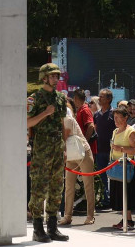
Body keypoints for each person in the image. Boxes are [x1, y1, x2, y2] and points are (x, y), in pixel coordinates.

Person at [25, 63, 69, 242]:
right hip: (42, 148)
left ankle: (52, 227)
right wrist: (45, 113)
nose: (55, 79)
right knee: (39, 187)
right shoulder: (34, 99)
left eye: (56, 76)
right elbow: (27, 123)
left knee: (57, 187)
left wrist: (64, 146)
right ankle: (37, 228)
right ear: (44, 77)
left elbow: (62, 124)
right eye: (52, 76)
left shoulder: (60, 98)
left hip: (57, 147)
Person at [61, 101, 96, 226]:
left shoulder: (68, 119)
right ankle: (67, 216)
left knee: (88, 185)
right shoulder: (61, 119)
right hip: (71, 153)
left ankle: (90, 215)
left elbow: (64, 138)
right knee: (69, 186)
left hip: (82, 152)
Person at [109, 107, 135, 229]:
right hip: (116, 165)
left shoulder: (130, 131)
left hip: (126, 167)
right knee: (119, 194)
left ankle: (128, 220)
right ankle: (125, 220)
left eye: (118, 117)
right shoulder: (115, 131)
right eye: (114, 117)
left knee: (126, 194)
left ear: (125, 117)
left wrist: (121, 149)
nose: (115, 120)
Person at [93, 89, 116, 208]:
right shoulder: (96, 115)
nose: (99, 98)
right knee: (102, 176)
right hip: (100, 149)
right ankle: (105, 199)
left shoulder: (113, 114)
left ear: (109, 99)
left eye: (102, 97)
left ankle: (114, 199)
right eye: (99, 96)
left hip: (112, 150)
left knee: (113, 176)